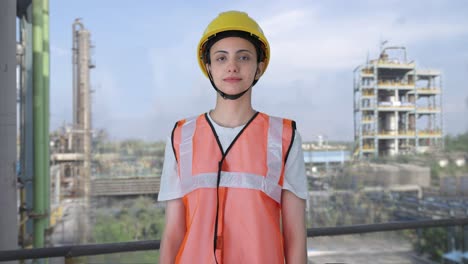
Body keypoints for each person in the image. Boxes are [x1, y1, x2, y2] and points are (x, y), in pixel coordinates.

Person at [158, 10, 308, 264]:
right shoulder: (182, 136)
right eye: (221, 58)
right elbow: (173, 232)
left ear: (259, 67)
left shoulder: (284, 136)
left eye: (244, 57)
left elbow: (295, 235)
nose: (232, 66)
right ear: (208, 67)